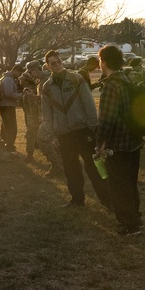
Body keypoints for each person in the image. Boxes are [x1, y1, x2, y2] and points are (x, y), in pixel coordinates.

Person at [40, 49, 110, 209]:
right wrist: (52, 136)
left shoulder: (76, 78)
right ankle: (77, 200)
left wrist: (93, 128)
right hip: (64, 135)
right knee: (71, 171)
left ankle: (107, 200)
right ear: (48, 66)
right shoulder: (46, 87)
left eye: (59, 62)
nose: (57, 65)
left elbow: (89, 105)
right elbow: (46, 115)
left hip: (83, 132)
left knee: (95, 168)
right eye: (53, 63)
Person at [96, 45, 144, 236]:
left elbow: (107, 119)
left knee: (118, 185)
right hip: (133, 140)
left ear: (104, 61)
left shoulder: (111, 85)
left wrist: (100, 143)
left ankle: (129, 223)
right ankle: (135, 217)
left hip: (118, 144)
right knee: (130, 182)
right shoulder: (126, 79)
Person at [0, 63, 24, 152]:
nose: (19, 75)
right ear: (15, 70)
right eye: (19, 73)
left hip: (6, 105)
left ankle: (5, 144)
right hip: (7, 105)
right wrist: (21, 95)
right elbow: (8, 93)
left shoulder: (6, 78)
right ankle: (9, 145)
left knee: (6, 126)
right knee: (11, 127)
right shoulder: (9, 79)